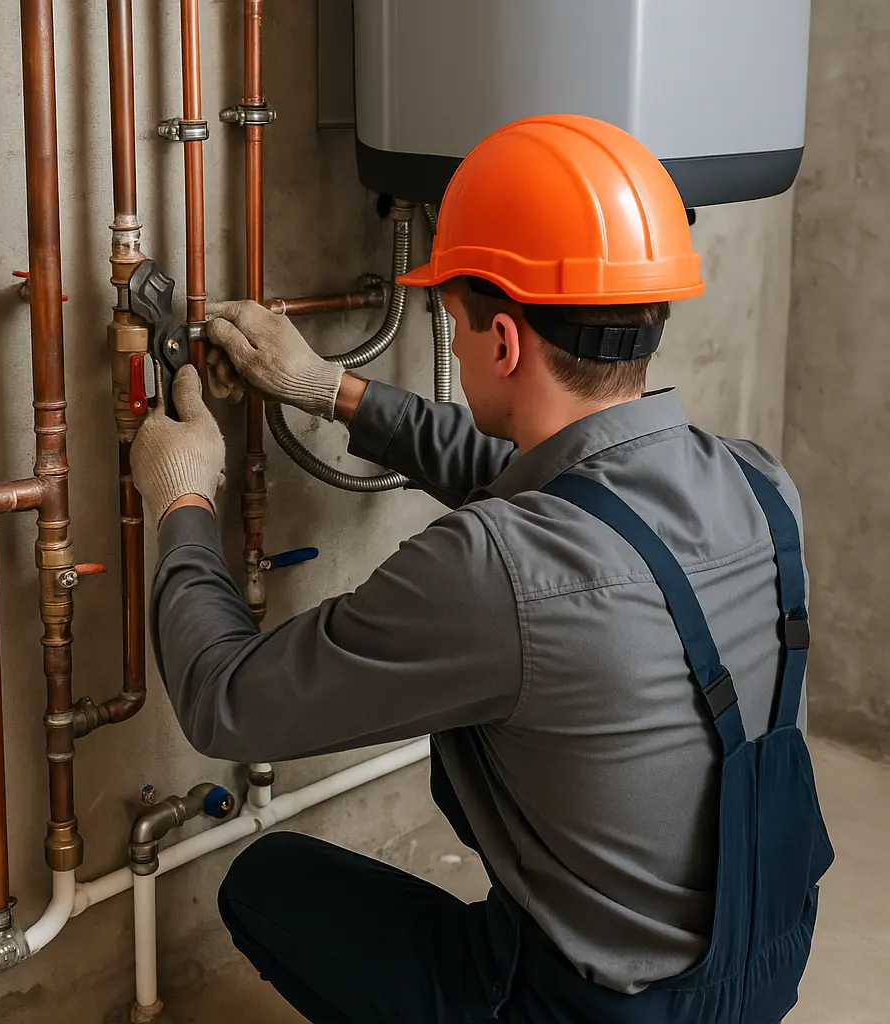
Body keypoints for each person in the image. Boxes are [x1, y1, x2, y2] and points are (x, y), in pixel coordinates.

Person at [130, 115, 833, 1024]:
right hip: (764, 957)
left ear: (503, 342)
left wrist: (181, 500)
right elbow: (560, 486)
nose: (451, 347)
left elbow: (225, 698)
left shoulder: (494, 569)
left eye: (453, 324)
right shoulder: (759, 483)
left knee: (268, 883)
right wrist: (329, 390)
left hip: (602, 1013)